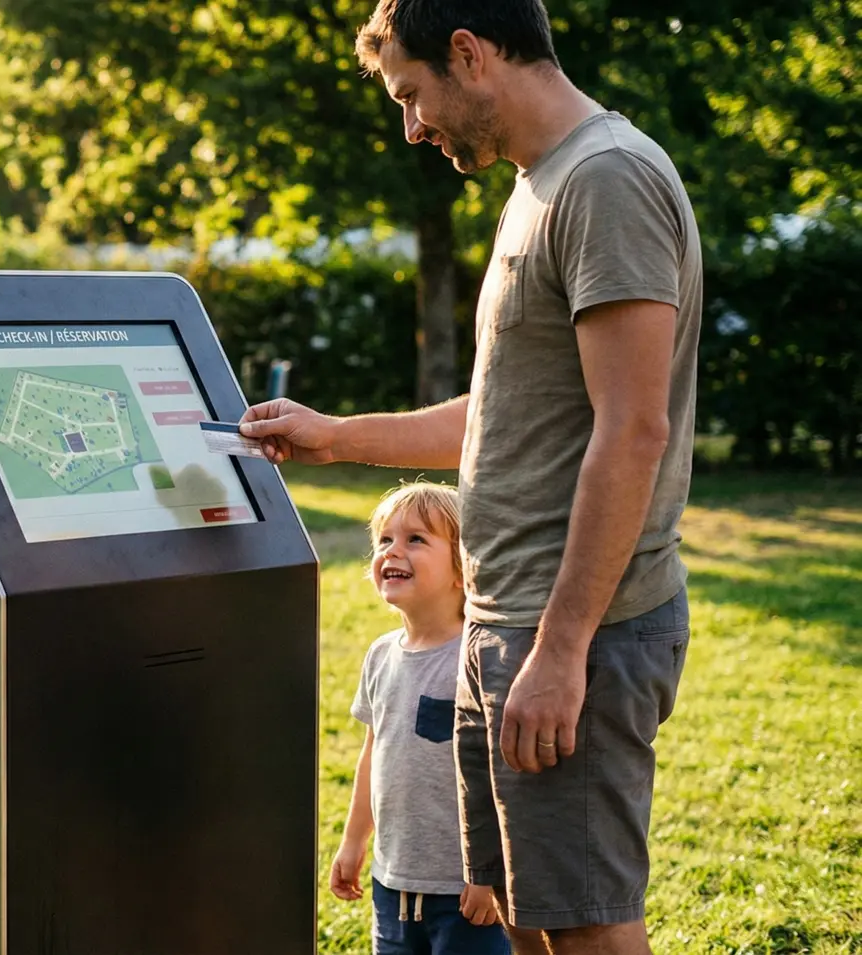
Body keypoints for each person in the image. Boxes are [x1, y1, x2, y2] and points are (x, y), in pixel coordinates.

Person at [239, 1, 701, 952]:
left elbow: (633, 429)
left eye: (413, 96)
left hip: (574, 631)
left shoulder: (605, 182)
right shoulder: (537, 187)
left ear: (469, 53)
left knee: (587, 930)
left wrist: (563, 650)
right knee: (528, 921)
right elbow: (499, 416)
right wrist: (334, 438)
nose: (413, 126)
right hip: (505, 624)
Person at [333, 482, 508, 954]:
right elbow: (375, 753)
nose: (393, 550)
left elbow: (502, 772)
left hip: (466, 891)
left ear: (463, 568)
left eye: (416, 539)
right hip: (392, 883)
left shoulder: (481, 659)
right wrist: (353, 842)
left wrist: (489, 871)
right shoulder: (380, 655)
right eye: (384, 539)